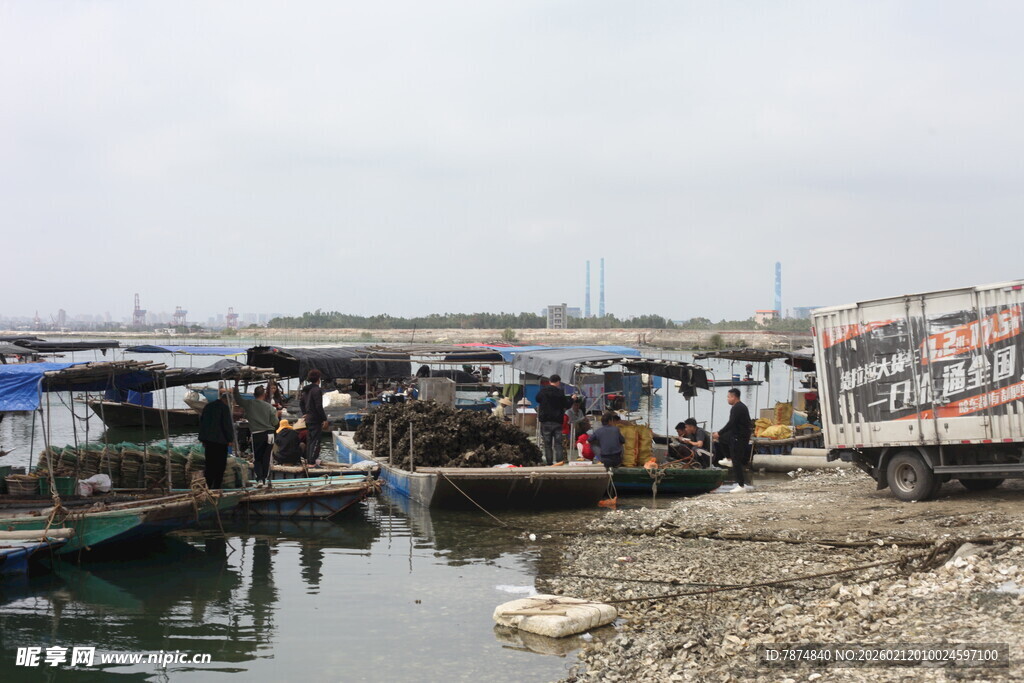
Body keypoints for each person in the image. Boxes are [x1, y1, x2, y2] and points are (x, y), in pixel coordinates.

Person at [234, 383, 281, 487]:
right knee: (267, 458)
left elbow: (238, 399)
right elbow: (275, 422)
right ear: (264, 395)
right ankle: (265, 479)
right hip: (270, 434)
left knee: (258, 458)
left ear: (254, 395)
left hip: (257, 434)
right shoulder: (270, 407)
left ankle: (259, 479)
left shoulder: (249, 404)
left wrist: (236, 386)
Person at [713, 388, 753, 490]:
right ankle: (728, 458)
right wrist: (721, 434)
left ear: (733, 397)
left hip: (740, 437)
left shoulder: (738, 408)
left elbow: (731, 423)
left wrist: (719, 432)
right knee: (722, 439)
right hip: (735, 434)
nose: (727, 399)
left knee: (737, 461)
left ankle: (741, 485)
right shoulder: (738, 407)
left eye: (728, 397)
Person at [199, 389, 234, 489]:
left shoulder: (208, 406)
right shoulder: (225, 408)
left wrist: (202, 438)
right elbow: (227, 425)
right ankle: (217, 486)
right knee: (220, 464)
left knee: (209, 463)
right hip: (220, 441)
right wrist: (230, 439)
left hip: (208, 441)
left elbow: (202, 422)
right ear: (227, 401)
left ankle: (208, 485)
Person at [535, 374, 570, 465]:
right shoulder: (560, 392)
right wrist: (572, 399)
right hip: (557, 422)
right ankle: (559, 461)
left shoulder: (543, 391)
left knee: (547, 444)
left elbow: (537, 399)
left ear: (550, 381)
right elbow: (566, 405)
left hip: (545, 421)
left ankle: (549, 463)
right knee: (558, 444)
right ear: (558, 382)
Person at [303, 369, 329, 466]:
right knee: (315, 441)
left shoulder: (306, 390)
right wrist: (324, 419)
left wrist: (305, 413)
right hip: (315, 419)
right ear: (319, 378)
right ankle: (311, 462)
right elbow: (318, 406)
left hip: (308, 418)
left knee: (310, 440)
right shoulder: (316, 390)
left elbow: (302, 402)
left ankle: (309, 460)